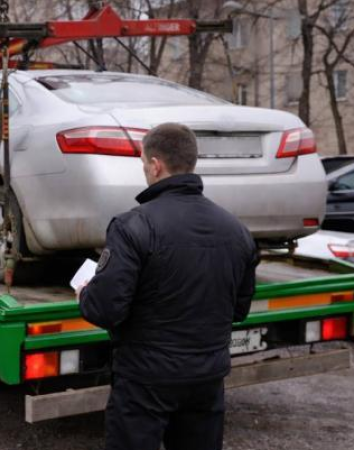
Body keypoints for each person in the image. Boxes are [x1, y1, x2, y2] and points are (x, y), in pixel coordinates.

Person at [77, 123, 259, 450]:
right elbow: (239, 310)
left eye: (144, 163)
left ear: (156, 164)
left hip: (144, 381)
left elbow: (107, 309)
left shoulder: (133, 225)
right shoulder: (237, 230)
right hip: (206, 378)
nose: (145, 169)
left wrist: (86, 294)